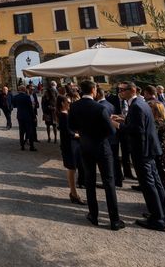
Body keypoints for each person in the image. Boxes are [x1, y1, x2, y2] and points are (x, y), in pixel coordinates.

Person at [69, 80, 124, 231]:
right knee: (108, 182)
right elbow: (111, 131)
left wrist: (85, 132)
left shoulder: (74, 106)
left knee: (89, 180)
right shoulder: (100, 108)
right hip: (102, 147)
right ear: (93, 90)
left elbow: (72, 126)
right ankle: (114, 220)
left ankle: (93, 215)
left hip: (85, 146)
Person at [114, 81, 165, 232]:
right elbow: (140, 124)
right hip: (150, 149)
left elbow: (137, 130)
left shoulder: (137, 105)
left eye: (122, 89)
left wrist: (118, 125)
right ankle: (160, 213)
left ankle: (157, 219)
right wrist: (123, 119)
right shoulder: (141, 103)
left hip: (142, 150)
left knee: (148, 184)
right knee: (155, 182)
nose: (120, 91)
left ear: (131, 90)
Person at [57, 94, 86, 205]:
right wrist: (79, 135)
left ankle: (73, 193)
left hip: (72, 144)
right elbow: (67, 132)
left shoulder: (65, 114)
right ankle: (73, 194)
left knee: (73, 168)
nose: (70, 104)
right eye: (68, 102)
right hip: (69, 145)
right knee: (71, 168)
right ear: (62, 104)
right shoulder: (63, 115)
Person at [96, 87, 123, 187]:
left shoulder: (99, 106)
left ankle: (109, 182)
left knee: (107, 162)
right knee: (115, 160)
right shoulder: (110, 104)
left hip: (106, 137)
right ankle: (118, 179)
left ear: (98, 94)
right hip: (114, 136)